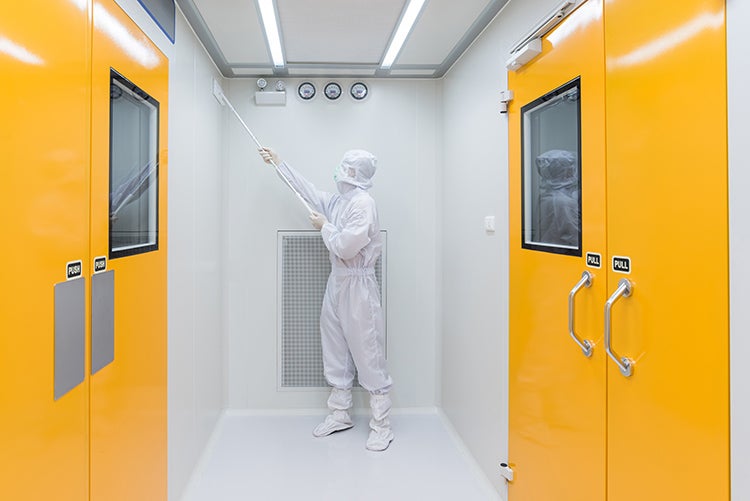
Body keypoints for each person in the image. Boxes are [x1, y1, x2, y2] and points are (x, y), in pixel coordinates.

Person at [258, 147, 394, 452]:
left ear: (354, 173)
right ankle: (339, 414)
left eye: (344, 167)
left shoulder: (364, 204)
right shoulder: (339, 201)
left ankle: (381, 426)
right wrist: (279, 163)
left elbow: (346, 247)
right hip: (337, 282)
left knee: (367, 351)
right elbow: (306, 191)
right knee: (335, 348)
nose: (339, 171)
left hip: (359, 284)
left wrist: (325, 226)